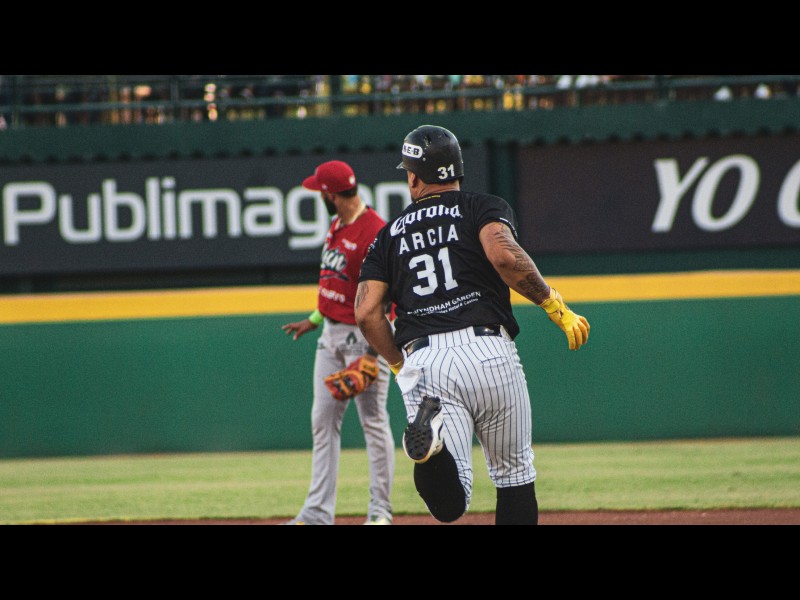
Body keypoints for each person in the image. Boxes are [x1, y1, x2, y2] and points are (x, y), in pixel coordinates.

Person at [354, 125, 590, 525]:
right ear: (457, 170)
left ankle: (433, 447)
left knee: (451, 505)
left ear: (413, 178)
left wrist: (398, 366)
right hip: (489, 349)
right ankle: (435, 446)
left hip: (426, 360)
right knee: (515, 475)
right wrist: (552, 303)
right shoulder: (481, 206)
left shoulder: (387, 235)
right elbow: (504, 256)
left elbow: (366, 313)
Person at [281, 160, 396, 525]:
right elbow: (337, 284)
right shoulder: (337, 224)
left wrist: (374, 355)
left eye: (320, 191)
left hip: (364, 339)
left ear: (330, 194)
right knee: (322, 421)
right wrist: (314, 320)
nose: (319, 197)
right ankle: (317, 514)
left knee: (373, 423)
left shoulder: (375, 231)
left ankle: (380, 512)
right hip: (330, 335)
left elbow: (389, 300)